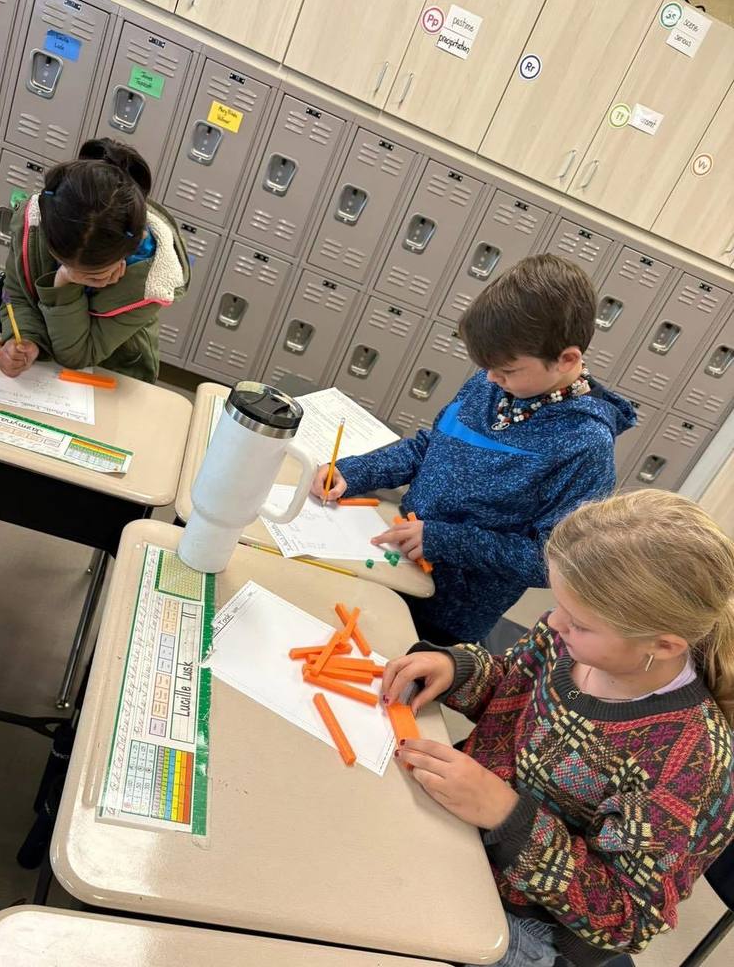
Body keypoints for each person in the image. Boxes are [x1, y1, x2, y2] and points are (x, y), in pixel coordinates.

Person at [382, 490, 734, 967]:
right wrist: (458, 669)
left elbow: (626, 917)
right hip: (463, 834)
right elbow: (512, 686)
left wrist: (507, 814)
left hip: (529, 921)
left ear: (664, 644)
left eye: (581, 623)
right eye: (558, 604)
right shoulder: (565, 638)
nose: (552, 621)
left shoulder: (693, 758)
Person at [311, 254, 636, 644]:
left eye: (507, 370)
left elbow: (552, 562)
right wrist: (358, 471)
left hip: (447, 613)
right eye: (487, 367)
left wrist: (443, 540)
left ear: (567, 359)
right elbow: (431, 447)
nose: (491, 378)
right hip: (393, 561)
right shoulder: (492, 383)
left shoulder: (586, 445)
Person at [0, 138, 190, 383]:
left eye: (92, 274)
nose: (73, 271)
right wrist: (25, 338)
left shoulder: (151, 280)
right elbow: (16, 293)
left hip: (113, 376)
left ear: (129, 249)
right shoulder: (41, 222)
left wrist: (66, 280)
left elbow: (78, 354)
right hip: (42, 375)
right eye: (63, 261)